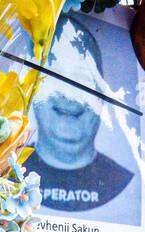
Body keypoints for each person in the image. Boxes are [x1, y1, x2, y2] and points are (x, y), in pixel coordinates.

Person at [24, 16, 134, 215]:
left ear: (102, 97)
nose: (68, 94)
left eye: (83, 78)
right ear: (32, 90)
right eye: (54, 74)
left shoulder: (124, 183)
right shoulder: (4, 178)